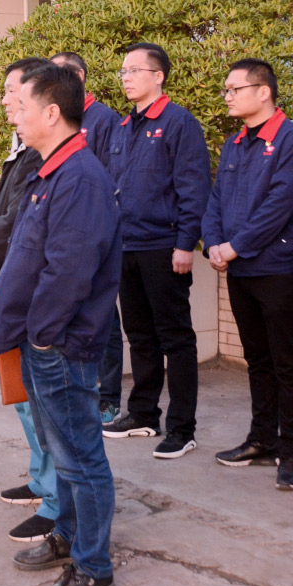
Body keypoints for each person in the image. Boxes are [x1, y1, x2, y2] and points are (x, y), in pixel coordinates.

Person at [0, 62, 122, 586]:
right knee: (62, 454)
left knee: (81, 457)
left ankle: (93, 566)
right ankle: (66, 534)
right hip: (41, 341)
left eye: (21, 106)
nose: (13, 114)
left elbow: (68, 272)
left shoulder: (80, 177)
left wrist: (42, 338)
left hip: (60, 346)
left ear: (51, 112)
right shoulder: (50, 169)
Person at [204, 58, 293, 491]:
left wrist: (234, 247)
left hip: (279, 270)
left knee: (288, 363)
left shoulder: (292, 141)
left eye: (235, 89)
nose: (228, 96)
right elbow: (217, 199)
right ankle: (262, 439)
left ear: (263, 91)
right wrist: (213, 243)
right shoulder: (235, 143)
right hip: (240, 270)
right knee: (258, 361)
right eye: (227, 89)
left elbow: (278, 207)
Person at [100, 42, 211, 460]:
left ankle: (182, 428)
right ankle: (143, 414)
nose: (126, 78)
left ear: (158, 76)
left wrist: (185, 244)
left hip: (163, 248)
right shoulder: (122, 127)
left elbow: (193, 188)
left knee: (176, 338)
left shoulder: (179, 123)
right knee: (140, 336)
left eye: (134, 70)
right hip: (125, 246)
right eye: (123, 71)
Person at [0, 56, 60, 543]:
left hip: (28, 298)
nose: (6, 101)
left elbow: (17, 227)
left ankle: (58, 503)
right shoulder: (22, 150)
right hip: (6, 287)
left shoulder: (52, 161)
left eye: (13, 93)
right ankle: (43, 482)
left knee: (46, 408)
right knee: (25, 400)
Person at [51, 51, 123, 424]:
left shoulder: (104, 119)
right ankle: (80, 392)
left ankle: (109, 397)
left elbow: (113, 176)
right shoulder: (58, 117)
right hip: (63, 234)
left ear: (79, 76)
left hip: (95, 233)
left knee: (104, 318)